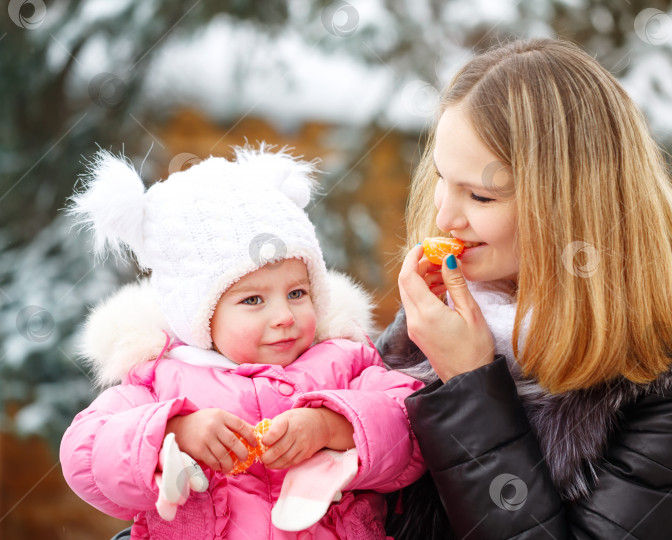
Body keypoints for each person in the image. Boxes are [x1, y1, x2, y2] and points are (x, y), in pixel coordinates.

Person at [378, 39, 672, 539]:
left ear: (568, 204)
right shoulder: (458, 304)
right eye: (442, 180)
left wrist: (470, 384)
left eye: (480, 194)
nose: (445, 217)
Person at [60, 146, 424, 539]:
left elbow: (410, 426)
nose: (284, 315)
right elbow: (86, 452)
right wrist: (174, 432)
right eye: (253, 300)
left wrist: (330, 426)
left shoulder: (344, 361)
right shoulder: (161, 380)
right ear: (200, 315)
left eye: (298, 293)